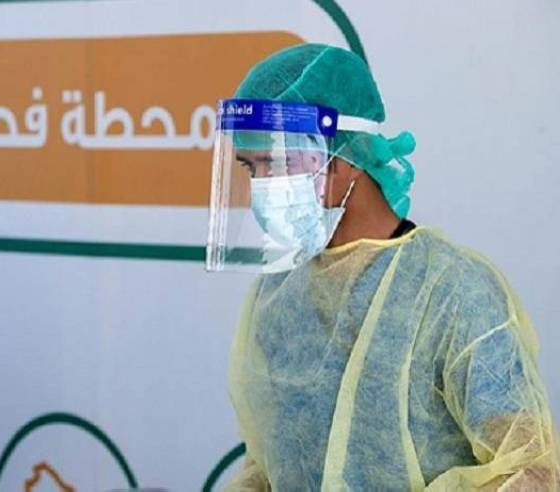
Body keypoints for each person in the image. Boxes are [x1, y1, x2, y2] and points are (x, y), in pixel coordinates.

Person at [211, 44, 560, 490]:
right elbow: (268, 467)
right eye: (250, 167)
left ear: (343, 157)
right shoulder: (277, 293)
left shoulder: (452, 291)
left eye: (276, 163)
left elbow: (530, 471)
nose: (261, 185)